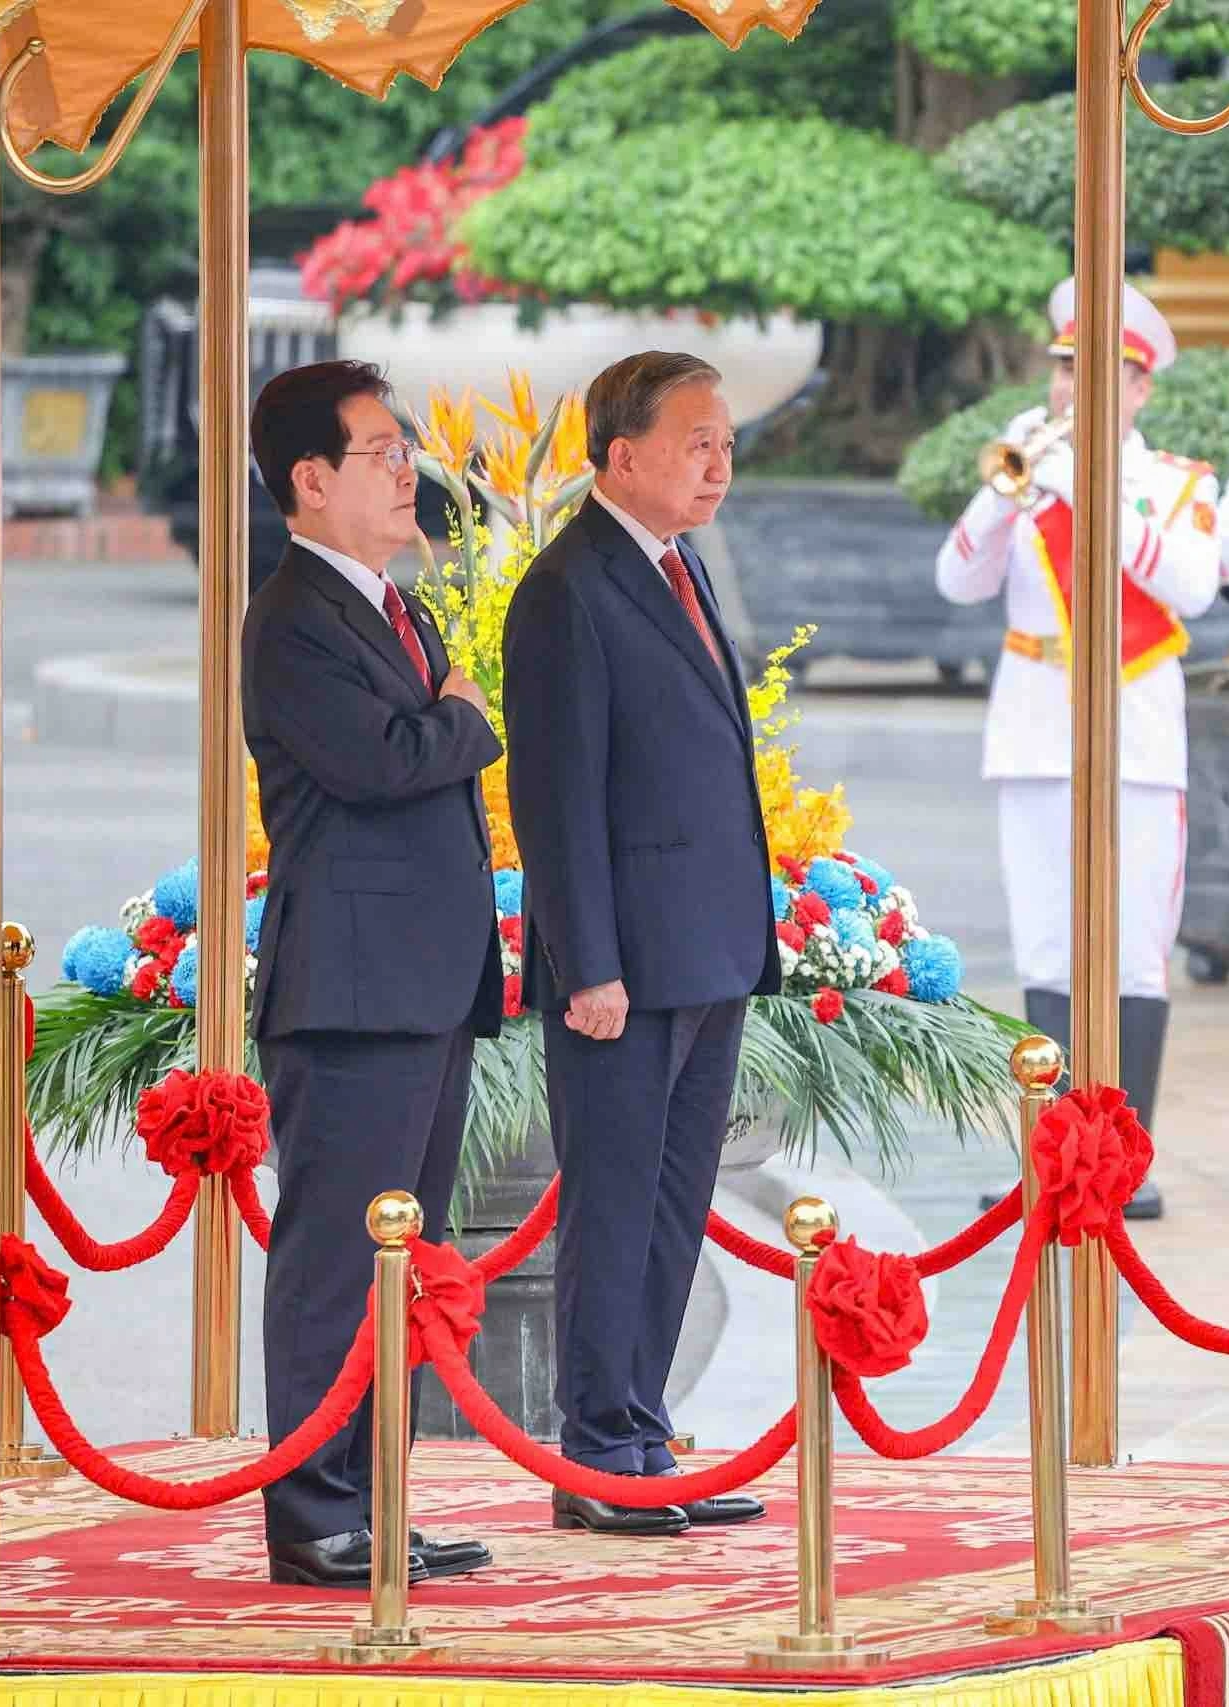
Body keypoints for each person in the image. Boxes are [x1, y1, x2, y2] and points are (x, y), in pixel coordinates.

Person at [501, 351, 777, 1536]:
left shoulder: (677, 567)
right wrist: (589, 964)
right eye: (696, 440)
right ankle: (596, 1453)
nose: (719, 461)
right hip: (625, 968)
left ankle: (643, 1436)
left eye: (725, 441)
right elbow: (556, 802)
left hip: (707, 949)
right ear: (621, 456)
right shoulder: (568, 587)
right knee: (612, 1205)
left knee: (675, 1203)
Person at [242, 359, 498, 1588]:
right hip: (349, 989)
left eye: (406, 451)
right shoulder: (293, 615)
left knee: (407, 1258)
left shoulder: (394, 608)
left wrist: (446, 712)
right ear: (309, 478)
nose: (410, 471)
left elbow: (420, 739)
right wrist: (463, 719)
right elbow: (383, 761)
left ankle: (375, 1499)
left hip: (424, 985)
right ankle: (312, 1513)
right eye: (382, 452)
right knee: (337, 1263)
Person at [936, 279, 1222, 1222]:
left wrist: (1087, 493)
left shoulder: (1176, 483)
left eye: (1095, 373)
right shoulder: (1031, 466)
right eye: (1063, 368)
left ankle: (1121, 1162)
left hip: (1133, 730)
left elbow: (1187, 585)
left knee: (1135, 952)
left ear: (1139, 390)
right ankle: (1050, 1156)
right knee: (1047, 950)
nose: (1071, 388)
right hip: (1033, 729)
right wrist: (1005, 490)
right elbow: (958, 579)